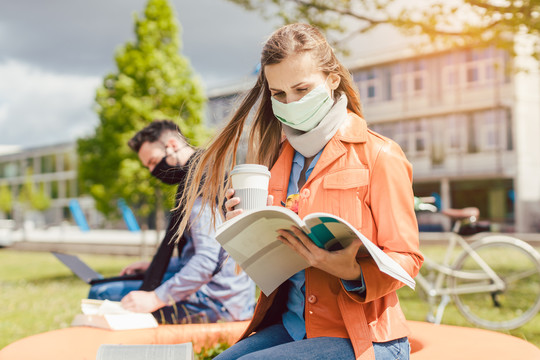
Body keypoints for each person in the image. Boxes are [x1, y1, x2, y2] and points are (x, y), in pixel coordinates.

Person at [177, 24, 424, 359]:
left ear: (332, 79)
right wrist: (245, 231)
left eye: (302, 89)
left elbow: (407, 259)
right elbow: (273, 259)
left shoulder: (380, 155)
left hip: (364, 337)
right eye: (278, 94)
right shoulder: (276, 157)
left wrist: (351, 271)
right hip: (293, 325)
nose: (290, 103)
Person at [89, 120, 255, 324]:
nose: (152, 171)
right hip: (230, 295)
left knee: (99, 293)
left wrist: (155, 298)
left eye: (152, 161)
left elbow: (206, 261)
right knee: (131, 281)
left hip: (217, 304)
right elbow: (213, 253)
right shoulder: (208, 172)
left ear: (172, 145)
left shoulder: (199, 188)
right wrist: (153, 266)